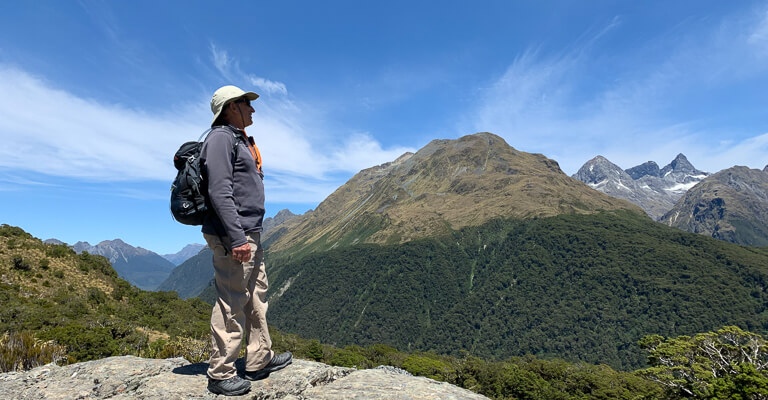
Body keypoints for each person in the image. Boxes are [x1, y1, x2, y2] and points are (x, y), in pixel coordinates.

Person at [200, 85, 292, 396]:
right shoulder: (221, 138)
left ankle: (258, 359)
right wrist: (237, 237)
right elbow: (219, 191)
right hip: (235, 236)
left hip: (249, 232)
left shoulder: (238, 139)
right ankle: (221, 372)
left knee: (256, 296)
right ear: (230, 108)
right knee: (231, 300)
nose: (252, 109)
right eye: (245, 103)